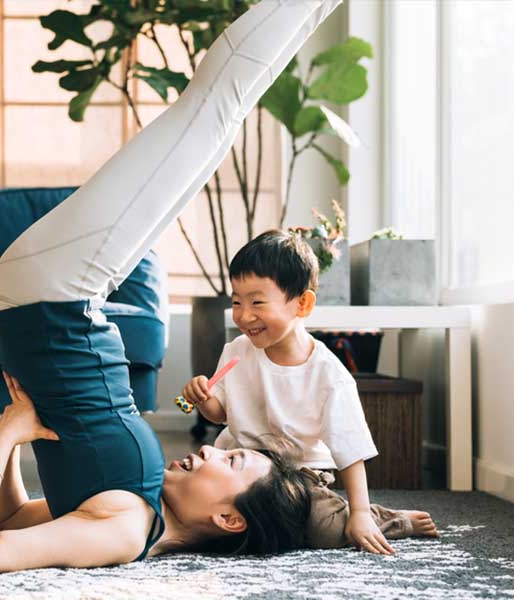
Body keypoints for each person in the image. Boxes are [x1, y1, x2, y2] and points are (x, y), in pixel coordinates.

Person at [0, 0, 344, 572]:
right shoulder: (136, 510)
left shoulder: (127, 528)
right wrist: (14, 436)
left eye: (229, 464)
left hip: (57, 292)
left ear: (228, 519)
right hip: (60, 294)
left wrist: (7, 436)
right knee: (214, 117)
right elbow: (13, 521)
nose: (211, 448)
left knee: (212, 108)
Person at [181, 230, 440, 555]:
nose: (244, 315)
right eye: (236, 302)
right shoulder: (236, 351)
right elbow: (220, 414)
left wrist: (359, 513)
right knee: (204, 510)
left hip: (297, 479)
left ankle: (384, 519)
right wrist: (204, 399)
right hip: (243, 470)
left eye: (257, 302)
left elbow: (350, 451)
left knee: (326, 530)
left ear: (302, 304)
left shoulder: (329, 375)